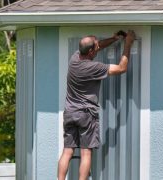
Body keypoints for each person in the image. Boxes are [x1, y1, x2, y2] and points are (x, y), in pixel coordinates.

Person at [57, 30, 136, 180]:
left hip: (70, 113)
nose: (99, 47)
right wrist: (128, 43)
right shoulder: (93, 68)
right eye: (96, 46)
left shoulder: (74, 58)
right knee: (86, 153)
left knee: (67, 151)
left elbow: (97, 46)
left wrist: (113, 39)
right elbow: (121, 68)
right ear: (92, 51)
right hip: (86, 114)